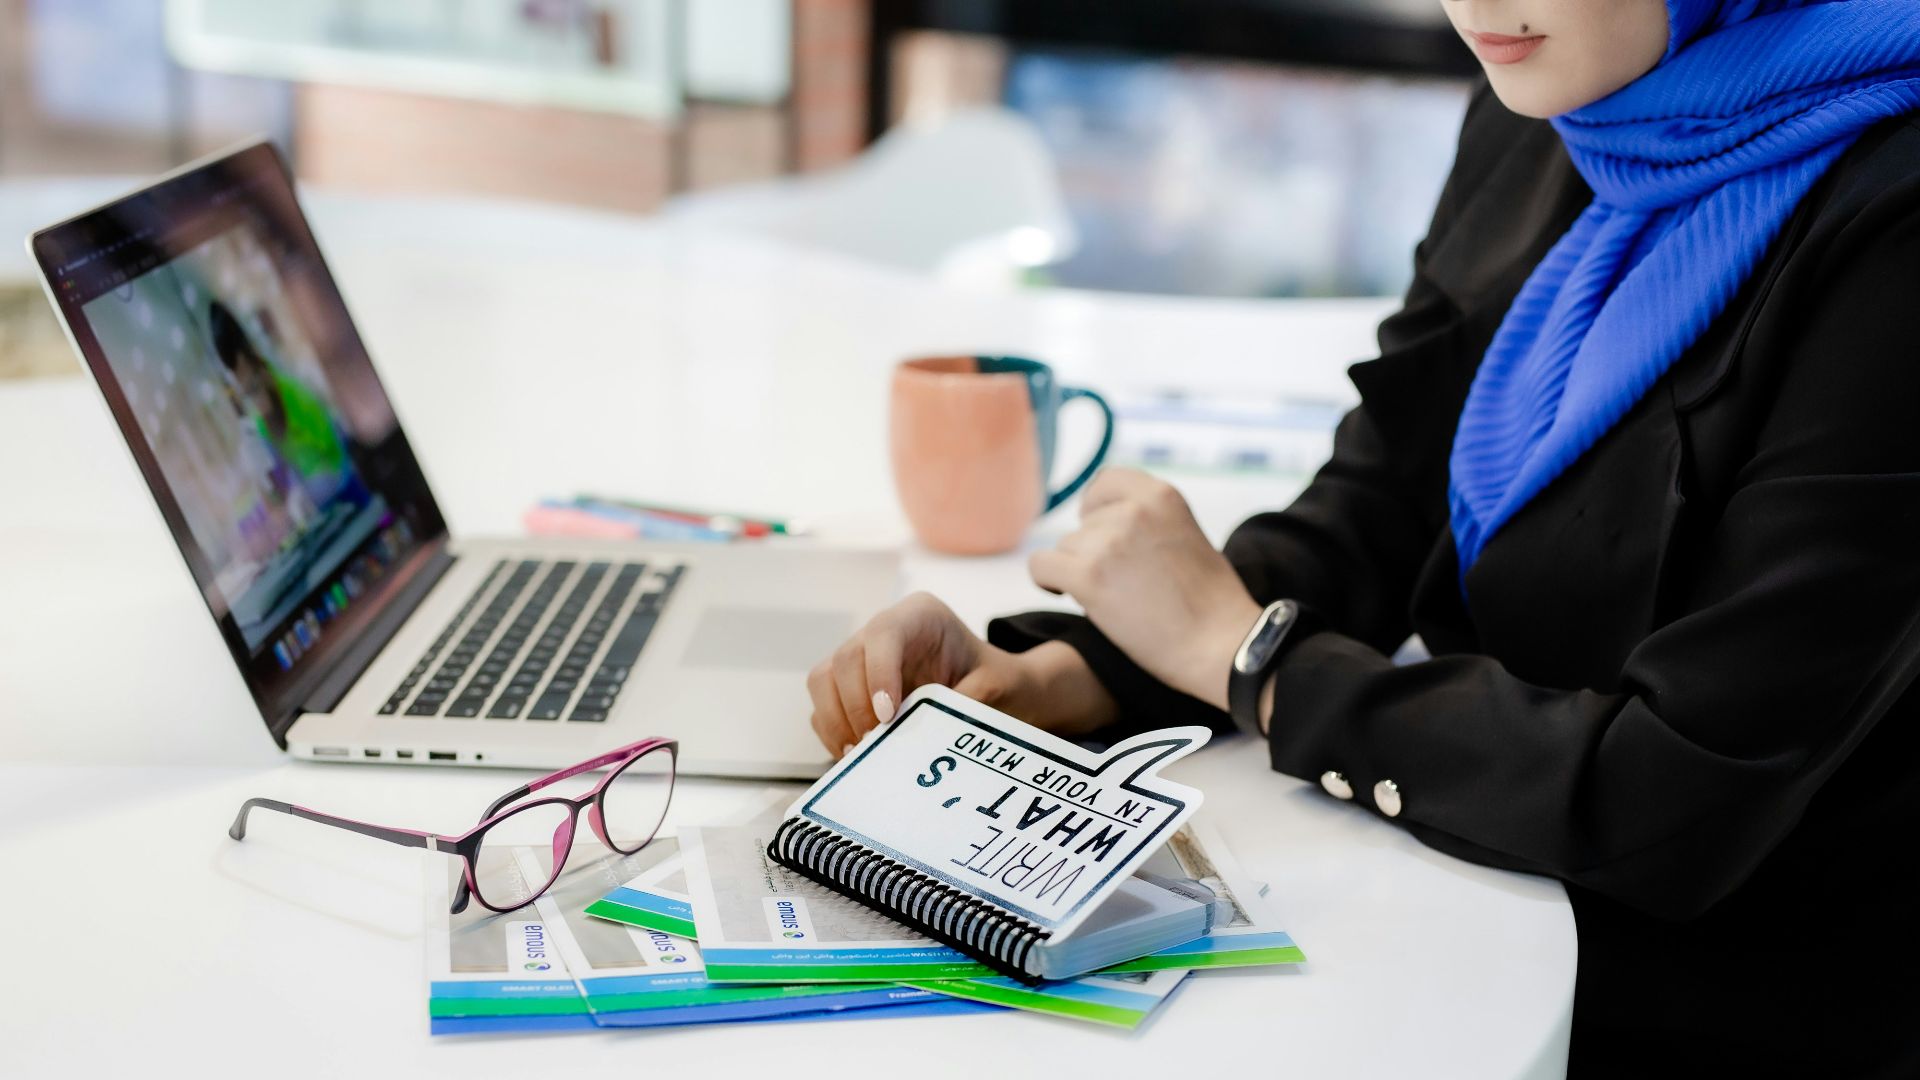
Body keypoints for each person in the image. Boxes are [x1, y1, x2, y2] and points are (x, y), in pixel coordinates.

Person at [804, 2, 1920, 1074]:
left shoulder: (1892, 217)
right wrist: (1079, 669)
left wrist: (1257, 667)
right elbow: (1383, 502)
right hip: (1466, 886)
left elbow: (1679, 794)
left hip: (1697, 1003)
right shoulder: (1552, 101)